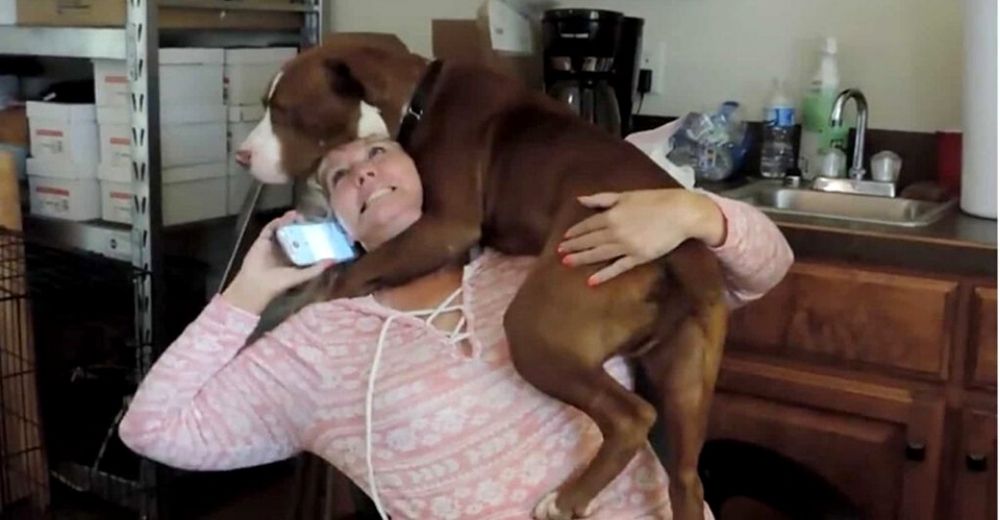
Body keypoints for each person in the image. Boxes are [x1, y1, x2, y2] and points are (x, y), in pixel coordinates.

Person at [119, 137, 793, 519]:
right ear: (331, 217)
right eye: (340, 176)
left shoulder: (540, 255)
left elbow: (761, 271)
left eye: (379, 151)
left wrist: (694, 214)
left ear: (424, 171)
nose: (365, 173)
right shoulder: (320, 344)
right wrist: (253, 287)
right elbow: (153, 429)